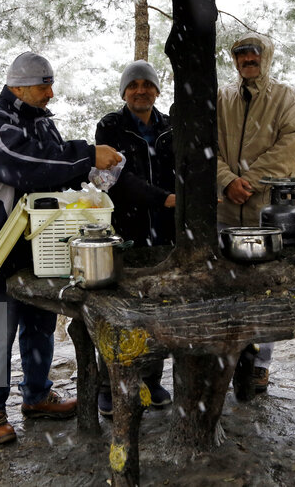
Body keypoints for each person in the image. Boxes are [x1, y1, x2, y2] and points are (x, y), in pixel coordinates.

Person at [0, 51, 122, 445]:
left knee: (40, 326)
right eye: (42, 85)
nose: (51, 92)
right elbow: (25, 164)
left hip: (38, 244)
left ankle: (36, 396)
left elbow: (52, 175)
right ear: (17, 86)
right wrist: (86, 153)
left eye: (51, 83)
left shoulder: (45, 126)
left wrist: (89, 181)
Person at [216, 32, 295, 398]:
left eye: (253, 54)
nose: (247, 60)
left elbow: (288, 149)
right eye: (241, 55)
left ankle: (259, 366)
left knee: (265, 293)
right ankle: (226, 361)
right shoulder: (220, 99)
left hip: (263, 215)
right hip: (222, 211)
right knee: (222, 289)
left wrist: (246, 182)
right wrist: (225, 181)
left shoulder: (288, 99)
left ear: (266, 56)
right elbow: (204, 145)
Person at [94, 60, 175, 415]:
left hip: (165, 232)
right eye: (133, 85)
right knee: (118, 310)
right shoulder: (110, 126)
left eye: (147, 84)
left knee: (157, 309)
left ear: (157, 90)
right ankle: (109, 387)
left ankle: (150, 381)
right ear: (123, 92)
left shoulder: (171, 128)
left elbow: (182, 171)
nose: (140, 90)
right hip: (125, 230)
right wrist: (164, 198)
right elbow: (116, 178)